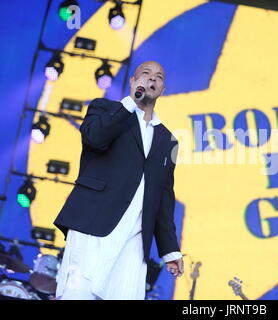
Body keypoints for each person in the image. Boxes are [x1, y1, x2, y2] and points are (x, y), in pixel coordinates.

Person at [53, 61, 183, 300]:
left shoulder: (169, 140)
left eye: (159, 77)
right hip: (93, 225)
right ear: (133, 81)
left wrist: (170, 250)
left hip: (133, 240)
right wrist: (129, 104)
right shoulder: (105, 109)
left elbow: (164, 198)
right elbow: (95, 138)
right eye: (146, 74)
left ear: (163, 89)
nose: (152, 79)